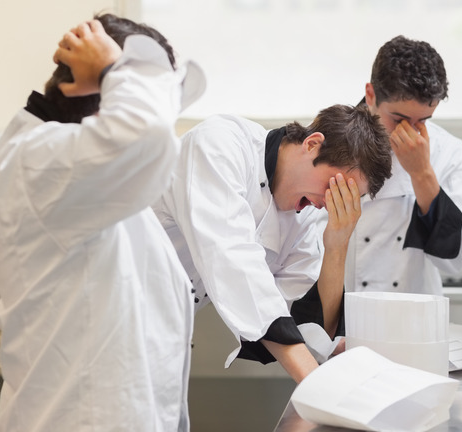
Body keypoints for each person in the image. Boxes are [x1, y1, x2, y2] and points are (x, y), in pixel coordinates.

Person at [0, 14, 204, 432]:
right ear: (96, 86)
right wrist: (111, 67)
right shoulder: (34, 164)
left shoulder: (85, 180)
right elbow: (147, 138)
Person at [152, 104, 392, 382]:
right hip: (111, 301)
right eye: (334, 188)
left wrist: (337, 245)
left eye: (347, 197)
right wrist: (316, 384)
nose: (328, 205)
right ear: (313, 144)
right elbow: (231, 260)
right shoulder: (221, 144)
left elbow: (307, 326)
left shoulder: (301, 220)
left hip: (168, 331)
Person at [330, 35, 462, 295]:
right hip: (342, 310)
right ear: (371, 95)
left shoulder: (446, 151)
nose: (410, 132)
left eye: (423, 121)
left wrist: (422, 173)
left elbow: (461, 255)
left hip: (411, 314)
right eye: (398, 119)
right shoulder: (332, 140)